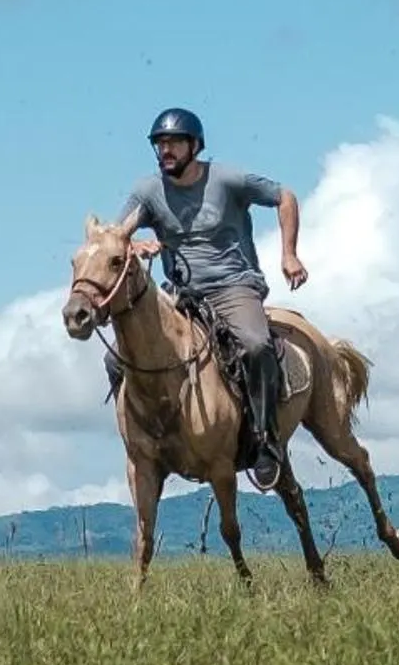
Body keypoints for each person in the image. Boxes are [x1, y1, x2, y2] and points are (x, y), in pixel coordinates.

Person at [121, 107, 307, 491]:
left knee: (256, 346)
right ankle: (146, 438)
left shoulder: (228, 179)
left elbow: (285, 197)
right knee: (115, 357)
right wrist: (132, 242)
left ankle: (266, 442)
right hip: (179, 295)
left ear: (195, 145)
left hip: (233, 287)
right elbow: (114, 235)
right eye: (160, 145)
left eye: (173, 143)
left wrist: (289, 254)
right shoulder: (147, 192)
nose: (165, 151)